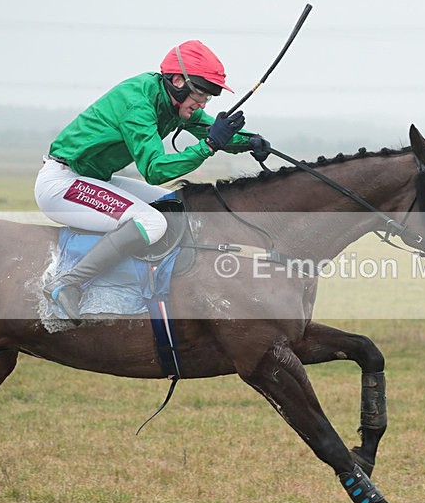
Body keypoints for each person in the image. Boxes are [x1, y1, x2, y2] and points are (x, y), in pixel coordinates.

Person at [36, 40, 270, 323]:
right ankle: (67, 284)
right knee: (152, 222)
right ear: (177, 81)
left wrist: (249, 141)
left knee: (173, 204)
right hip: (63, 183)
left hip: (93, 179)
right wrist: (208, 146)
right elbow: (154, 169)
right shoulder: (138, 103)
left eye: (208, 97)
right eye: (199, 95)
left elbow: (214, 132)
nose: (202, 104)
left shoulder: (172, 102)